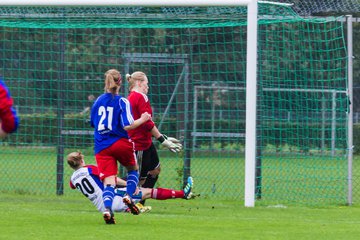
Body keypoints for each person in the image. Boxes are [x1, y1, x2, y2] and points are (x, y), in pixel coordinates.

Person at [90, 69, 151, 224]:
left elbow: (92, 123)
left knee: (109, 182)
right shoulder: (122, 101)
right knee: (133, 170)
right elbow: (128, 125)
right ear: (120, 83)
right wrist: (143, 119)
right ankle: (128, 196)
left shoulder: (97, 101)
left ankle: (107, 210)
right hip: (119, 143)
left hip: (101, 146)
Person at [67, 151, 194, 224]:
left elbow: (73, 186)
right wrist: (129, 184)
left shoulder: (72, 179)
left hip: (102, 207)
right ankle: (183, 193)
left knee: (140, 193)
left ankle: (130, 208)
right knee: (148, 192)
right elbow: (112, 179)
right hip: (113, 197)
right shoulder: (90, 169)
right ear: (81, 160)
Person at [126, 71, 182, 206]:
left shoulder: (131, 98)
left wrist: (164, 137)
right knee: (140, 179)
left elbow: (145, 124)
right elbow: (147, 123)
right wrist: (163, 140)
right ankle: (113, 189)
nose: (148, 87)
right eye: (146, 83)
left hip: (146, 143)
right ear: (139, 83)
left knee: (155, 170)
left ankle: (139, 203)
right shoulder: (140, 97)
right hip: (139, 145)